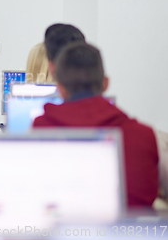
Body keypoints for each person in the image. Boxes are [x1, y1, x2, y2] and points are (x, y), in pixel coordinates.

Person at [33, 42, 160, 207]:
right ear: (106, 83)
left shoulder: (40, 131)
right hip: (128, 232)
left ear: (60, 88)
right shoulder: (144, 136)